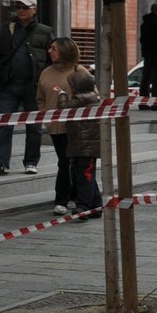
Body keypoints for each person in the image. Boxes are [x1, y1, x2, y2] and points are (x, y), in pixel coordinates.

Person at [0, 0, 54, 176]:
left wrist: (44, 78)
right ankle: (0, 163)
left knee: (34, 126)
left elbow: (52, 57)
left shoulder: (45, 31)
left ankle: (31, 162)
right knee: (4, 124)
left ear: (34, 10)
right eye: (18, 7)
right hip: (9, 85)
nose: (20, 10)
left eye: (25, 7)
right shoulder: (8, 28)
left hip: (33, 86)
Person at [36, 36, 90, 214]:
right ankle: (68, 197)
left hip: (75, 126)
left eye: (54, 48)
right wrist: (45, 114)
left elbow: (92, 96)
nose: (49, 51)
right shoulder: (46, 73)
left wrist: (71, 104)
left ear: (65, 50)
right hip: (55, 126)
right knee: (64, 161)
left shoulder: (79, 70)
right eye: (49, 48)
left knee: (67, 162)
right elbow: (40, 98)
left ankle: (63, 199)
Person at [59, 70, 104, 216]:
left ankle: (84, 206)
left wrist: (61, 95)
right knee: (87, 175)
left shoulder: (80, 99)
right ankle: (96, 205)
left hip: (85, 146)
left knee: (84, 176)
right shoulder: (91, 97)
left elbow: (63, 109)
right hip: (84, 145)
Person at [139, 3, 157, 98]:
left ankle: (143, 102)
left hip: (147, 55)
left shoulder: (144, 24)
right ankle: (156, 102)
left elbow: (142, 40)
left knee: (146, 78)